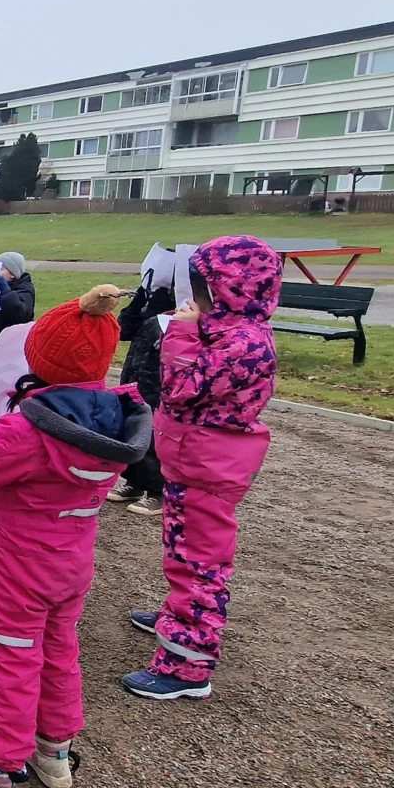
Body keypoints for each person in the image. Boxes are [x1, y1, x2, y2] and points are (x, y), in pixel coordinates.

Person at [0, 285, 153, 788]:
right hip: (70, 562)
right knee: (58, 648)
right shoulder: (113, 416)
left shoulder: (30, 429)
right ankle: (54, 751)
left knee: (7, 656)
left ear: (37, 359)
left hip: (15, 564)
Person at [121, 235, 281, 702]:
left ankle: (187, 664)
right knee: (182, 550)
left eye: (204, 289)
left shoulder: (246, 344)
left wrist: (183, 332)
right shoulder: (230, 334)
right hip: (192, 461)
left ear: (230, 290)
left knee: (199, 564)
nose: (195, 299)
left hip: (209, 467)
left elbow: (182, 387)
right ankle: (177, 617)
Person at [104, 282, 175, 516]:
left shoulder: (181, 310)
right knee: (132, 426)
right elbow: (123, 329)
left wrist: (162, 308)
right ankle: (134, 482)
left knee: (153, 431)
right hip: (135, 371)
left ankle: (157, 491)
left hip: (157, 378)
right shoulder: (151, 302)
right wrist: (139, 302)